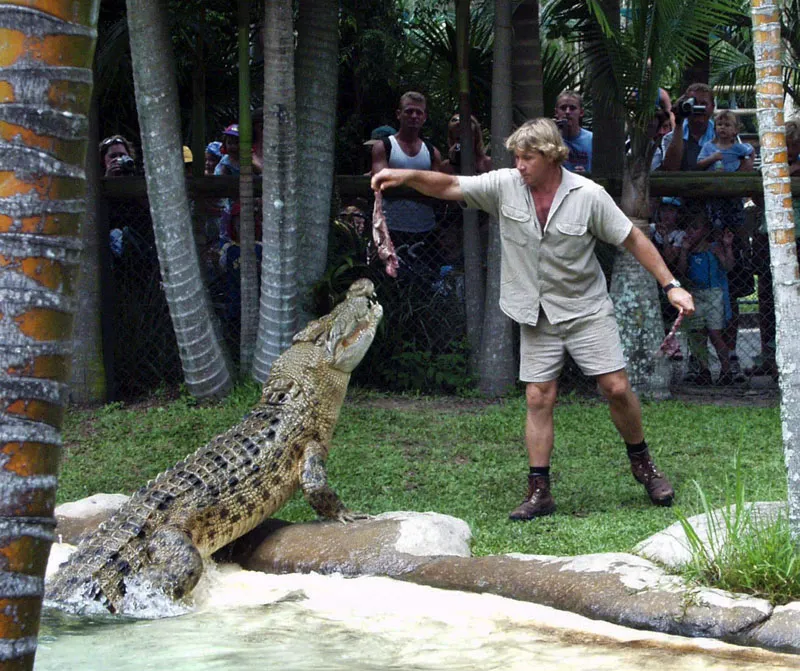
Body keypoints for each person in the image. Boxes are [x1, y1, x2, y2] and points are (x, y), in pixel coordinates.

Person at [371, 118, 695, 519]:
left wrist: (671, 285)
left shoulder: (588, 195)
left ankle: (643, 465)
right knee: (538, 397)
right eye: (517, 157)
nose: (520, 165)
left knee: (615, 387)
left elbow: (632, 237)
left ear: (551, 157)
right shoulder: (506, 184)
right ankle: (539, 491)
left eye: (527, 158)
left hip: (586, 309)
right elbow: (452, 187)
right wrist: (404, 175)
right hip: (535, 312)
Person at [696, 110, 755, 381]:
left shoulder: (741, 148)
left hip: (734, 209)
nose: (722, 127)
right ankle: (702, 363)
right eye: (718, 123)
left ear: (735, 128)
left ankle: (730, 356)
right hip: (714, 209)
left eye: (727, 124)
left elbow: (749, 157)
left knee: (733, 285)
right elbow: (699, 166)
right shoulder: (708, 148)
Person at [370, 91, 443, 249]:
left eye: (419, 112)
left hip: (425, 229)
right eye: (409, 111)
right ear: (399, 114)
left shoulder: (432, 152)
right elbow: (382, 182)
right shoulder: (383, 147)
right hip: (391, 227)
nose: (414, 116)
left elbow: (437, 189)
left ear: (424, 117)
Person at [676, 212, 735, 385]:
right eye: (688, 228)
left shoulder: (714, 248)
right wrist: (684, 251)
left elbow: (728, 266)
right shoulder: (688, 249)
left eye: (695, 228)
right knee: (698, 335)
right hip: (695, 294)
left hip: (713, 295)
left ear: (705, 230)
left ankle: (726, 370)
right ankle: (704, 370)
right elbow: (681, 271)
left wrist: (727, 247)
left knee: (715, 334)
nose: (690, 231)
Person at [650, 197, 686, 360]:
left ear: (678, 214)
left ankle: (672, 342)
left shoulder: (679, 235)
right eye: (664, 210)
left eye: (671, 211)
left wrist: (664, 238)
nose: (667, 215)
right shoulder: (650, 230)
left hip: (671, 278)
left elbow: (670, 259)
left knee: (668, 312)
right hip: (651, 278)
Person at [661, 83, 716, 172]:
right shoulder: (670, 138)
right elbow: (670, 169)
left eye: (703, 104)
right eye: (694, 104)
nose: (698, 109)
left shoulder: (721, 136)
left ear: (712, 107)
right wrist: (679, 121)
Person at [554, 90, 592, 174]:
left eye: (572, 108)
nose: (567, 112)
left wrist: (586, 174)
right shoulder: (549, 140)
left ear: (581, 112)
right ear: (556, 112)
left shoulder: (592, 140)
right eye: (563, 108)